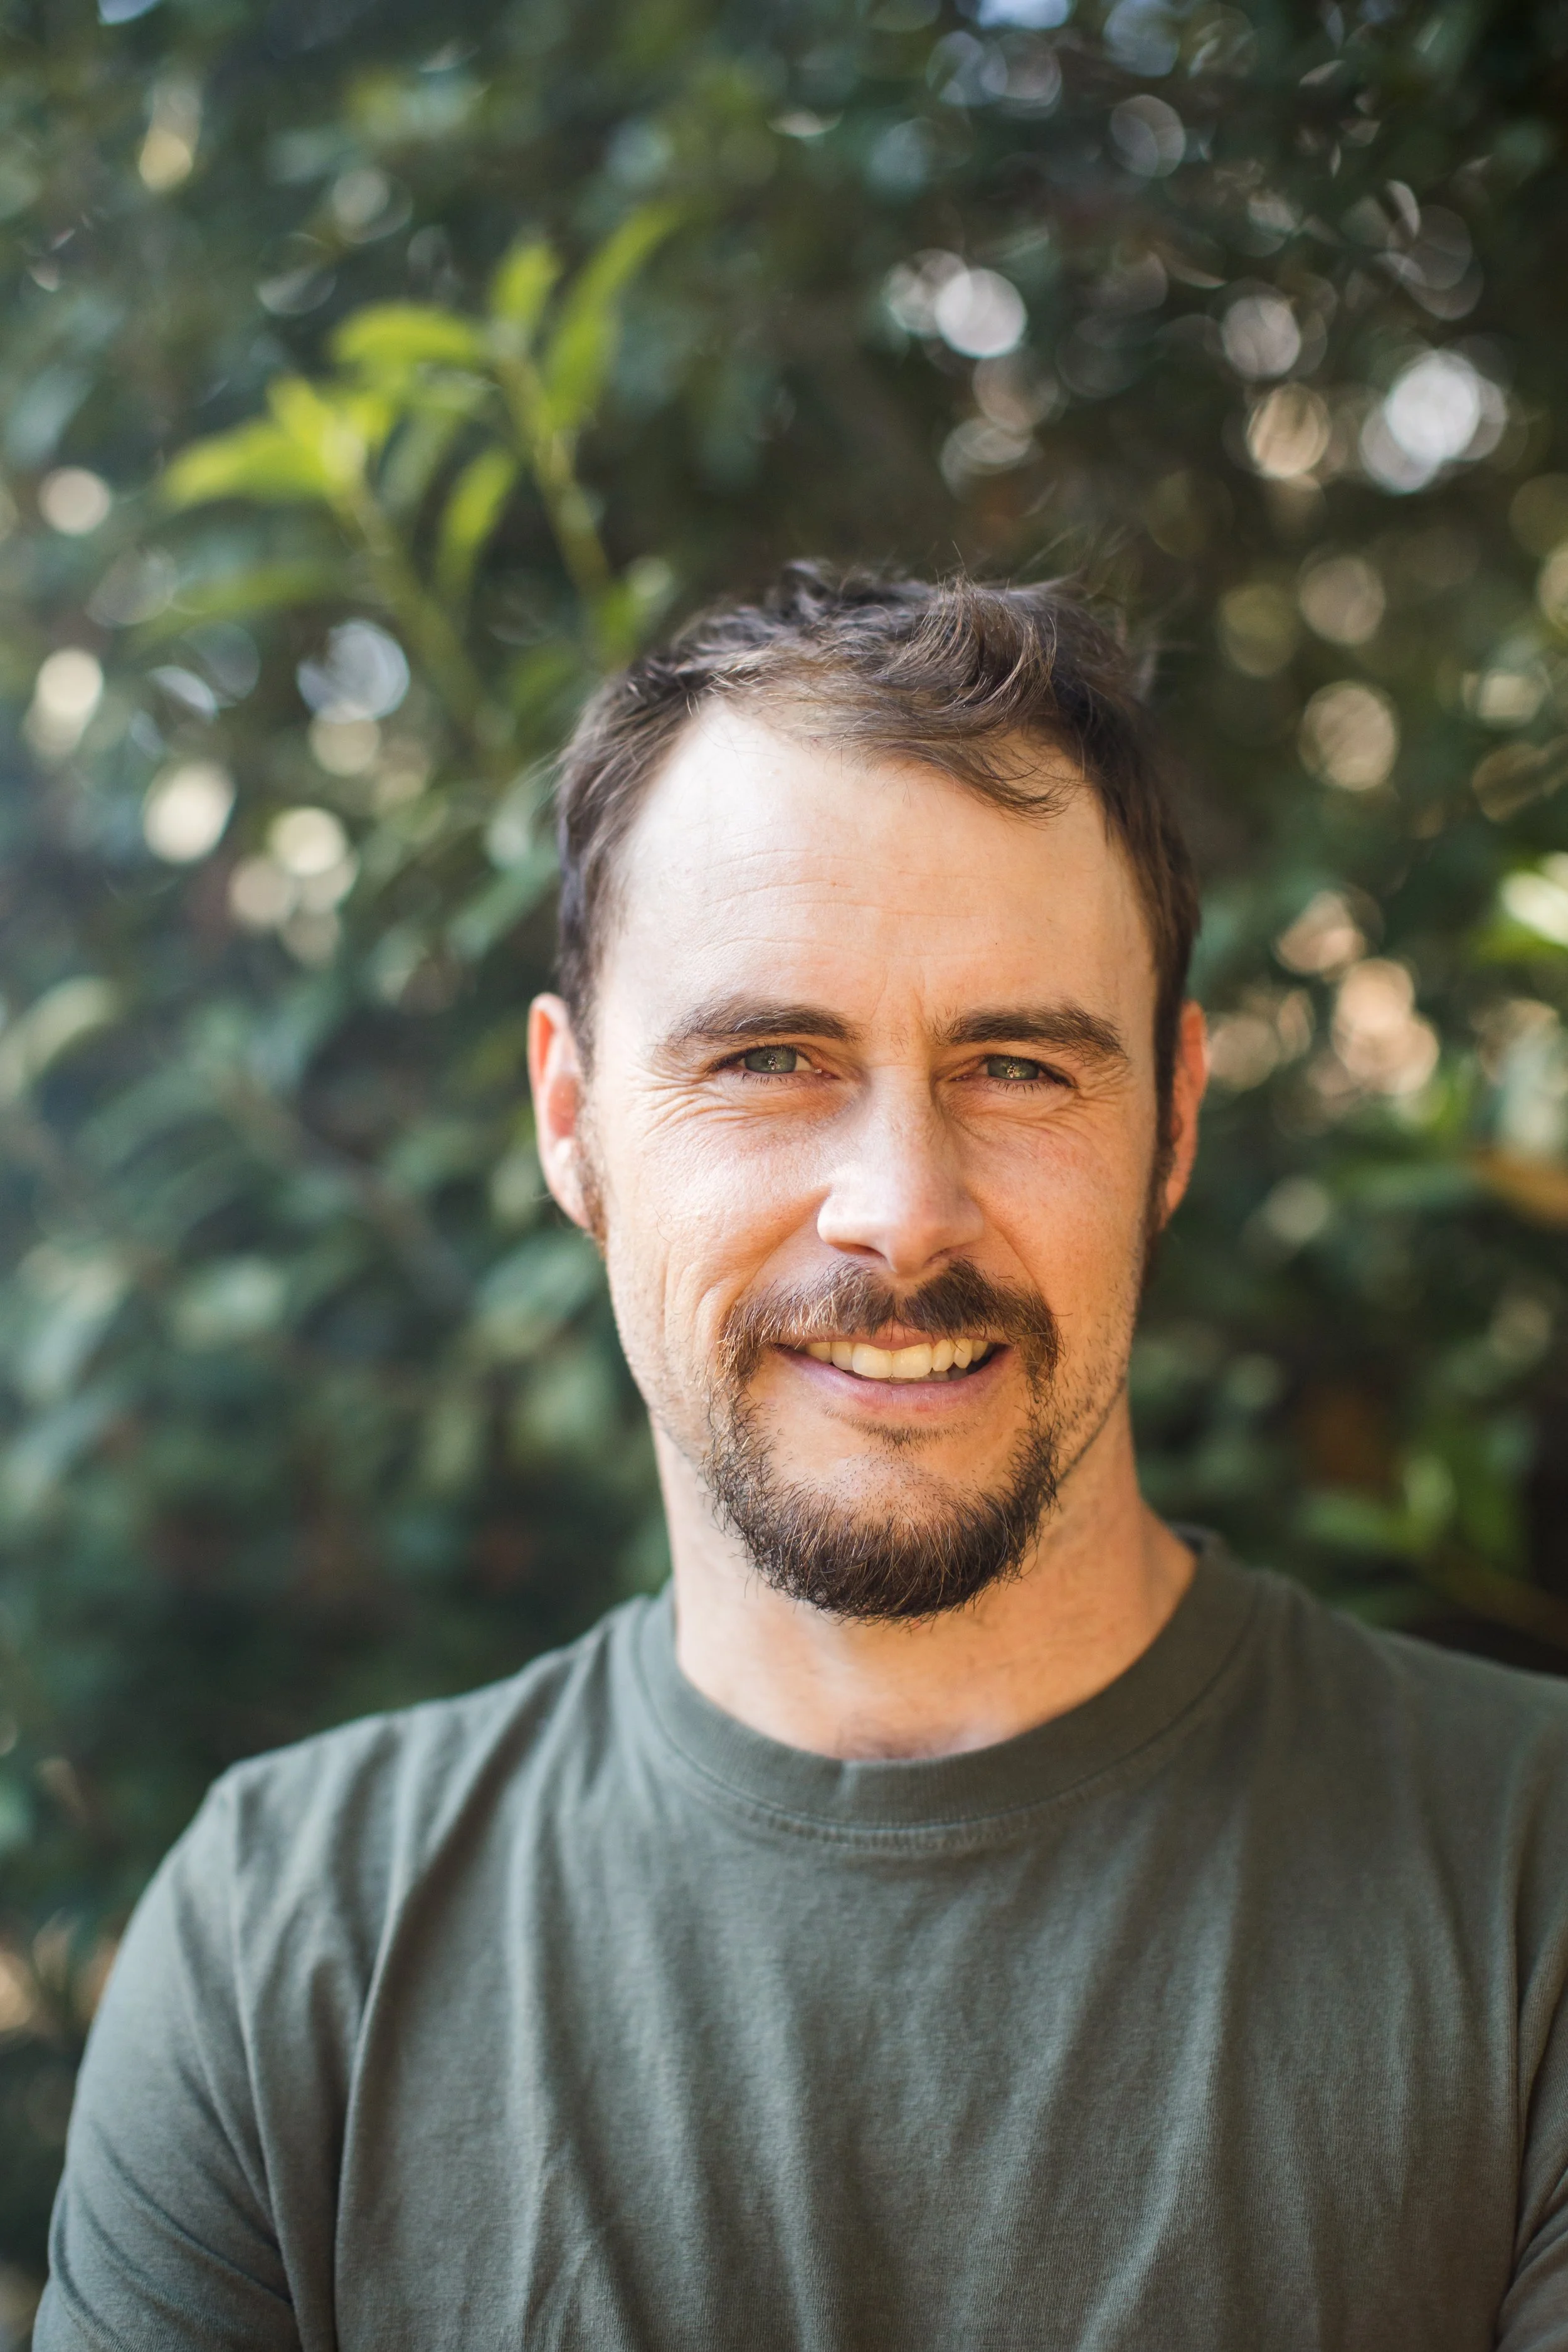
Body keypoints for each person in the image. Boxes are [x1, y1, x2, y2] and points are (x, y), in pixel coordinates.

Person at [34, 567, 1568, 2352]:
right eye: (768, 1056)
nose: (900, 1211)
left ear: (1170, 1121)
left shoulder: (1530, 1887)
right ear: (571, 1120)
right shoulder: (284, 1950)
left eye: (1015, 1064)